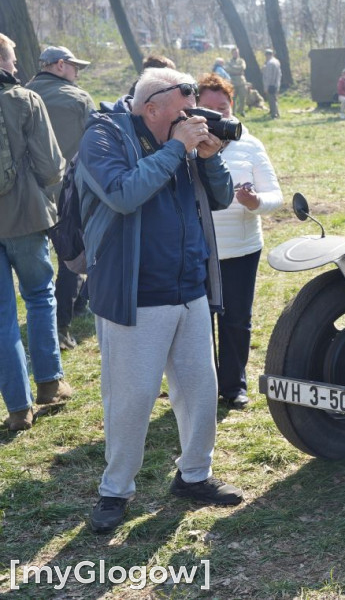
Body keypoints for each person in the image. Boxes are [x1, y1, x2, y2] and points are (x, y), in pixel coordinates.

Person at [77, 67, 243, 533]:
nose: (195, 108)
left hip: (190, 288)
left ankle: (194, 476)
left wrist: (209, 158)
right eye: (185, 98)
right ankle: (115, 490)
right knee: (131, 399)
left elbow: (221, 197)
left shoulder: (184, 141)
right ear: (152, 107)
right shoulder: (102, 138)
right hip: (137, 295)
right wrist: (178, 149)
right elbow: (123, 195)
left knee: (199, 393)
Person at [196, 74, 282, 409]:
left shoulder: (250, 143)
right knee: (199, 323)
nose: (218, 115)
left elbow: (276, 195)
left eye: (224, 108)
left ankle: (233, 387)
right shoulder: (185, 142)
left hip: (242, 248)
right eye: (209, 109)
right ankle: (202, 386)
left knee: (236, 321)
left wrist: (255, 202)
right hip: (199, 248)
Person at [0, 33, 71, 432]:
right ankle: (48, 384)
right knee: (40, 297)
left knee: (1, 318)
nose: (14, 66)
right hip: (26, 216)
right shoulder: (26, 100)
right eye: (10, 59)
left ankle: (17, 408)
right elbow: (49, 166)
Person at [26, 46, 96, 350]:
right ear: (59, 66)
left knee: (37, 262)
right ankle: (62, 324)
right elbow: (95, 147)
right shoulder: (79, 98)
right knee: (72, 255)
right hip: (69, 192)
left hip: (27, 194)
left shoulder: (20, 95)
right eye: (73, 66)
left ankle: (53, 315)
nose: (77, 72)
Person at [226, 47, 247, 117]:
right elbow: (228, 69)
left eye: (237, 53)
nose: (236, 54)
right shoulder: (229, 61)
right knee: (233, 98)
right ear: (232, 53)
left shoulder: (241, 60)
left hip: (241, 81)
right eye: (235, 53)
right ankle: (233, 112)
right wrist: (237, 68)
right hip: (233, 81)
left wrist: (234, 67)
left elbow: (243, 67)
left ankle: (242, 110)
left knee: (243, 97)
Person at [262, 48, 281, 119]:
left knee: (272, 100)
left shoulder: (270, 63)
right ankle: (274, 112)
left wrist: (266, 87)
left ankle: (274, 114)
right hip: (276, 83)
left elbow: (268, 76)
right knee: (274, 99)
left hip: (270, 84)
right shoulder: (276, 61)